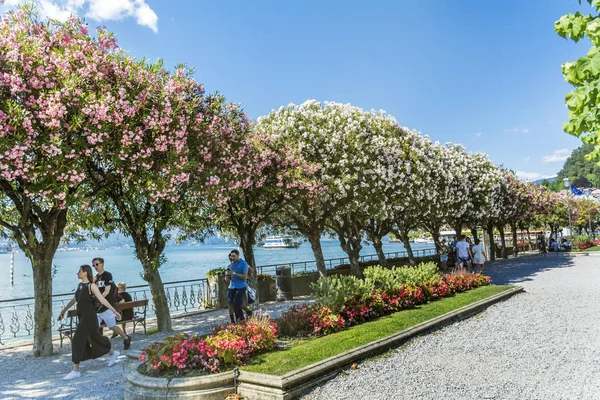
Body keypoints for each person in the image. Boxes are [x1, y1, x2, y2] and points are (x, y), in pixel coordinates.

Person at [58, 265, 122, 380]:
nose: (77, 273)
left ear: (85, 272)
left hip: (89, 317)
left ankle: (75, 370)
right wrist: (64, 310)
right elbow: (74, 299)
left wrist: (114, 311)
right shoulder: (80, 286)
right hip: (82, 316)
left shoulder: (91, 286)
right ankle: (112, 353)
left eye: (79, 271)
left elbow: (102, 300)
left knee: (77, 340)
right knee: (94, 338)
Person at [92, 258, 131, 350]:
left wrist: (98, 299)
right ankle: (98, 345)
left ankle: (126, 338)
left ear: (102, 264)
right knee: (93, 327)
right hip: (97, 307)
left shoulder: (107, 275)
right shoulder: (95, 277)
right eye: (93, 265)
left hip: (106, 306)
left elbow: (107, 291)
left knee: (112, 327)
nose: (95, 267)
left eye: (97, 264)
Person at [224, 253, 254, 323]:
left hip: (241, 286)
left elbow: (251, 271)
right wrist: (226, 278)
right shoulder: (230, 266)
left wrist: (248, 277)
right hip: (231, 286)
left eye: (232, 257)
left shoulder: (243, 263)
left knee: (238, 303)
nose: (231, 259)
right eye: (230, 257)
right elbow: (228, 276)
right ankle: (233, 320)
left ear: (237, 256)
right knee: (230, 303)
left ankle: (245, 314)